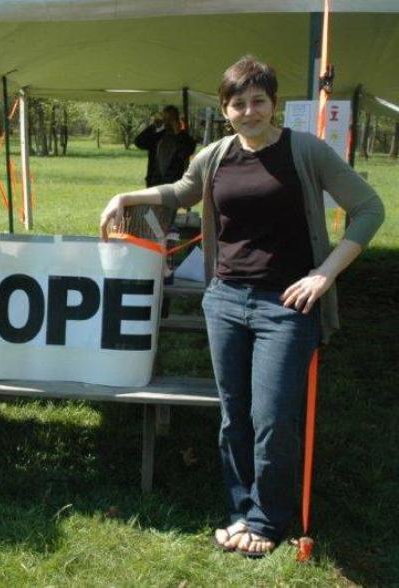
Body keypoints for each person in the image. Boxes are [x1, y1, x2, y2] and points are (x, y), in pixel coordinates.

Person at [100, 57, 384, 557]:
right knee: (234, 415)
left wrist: (325, 273)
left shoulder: (306, 151)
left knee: (272, 417)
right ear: (224, 108)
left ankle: (266, 521)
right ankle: (240, 510)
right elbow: (183, 191)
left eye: (258, 101)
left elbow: (369, 209)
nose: (249, 111)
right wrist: (127, 195)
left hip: (286, 307)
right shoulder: (215, 155)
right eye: (238, 103)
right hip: (225, 301)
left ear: (275, 104)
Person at [134, 104, 197, 187]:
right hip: (154, 184)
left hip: (174, 185)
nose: (167, 122)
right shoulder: (157, 137)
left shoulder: (185, 139)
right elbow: (138, 142)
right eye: (165, 119)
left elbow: (188, 150)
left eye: (171, 119)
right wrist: (153, 127)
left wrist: (178, 132)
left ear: (177, 120)